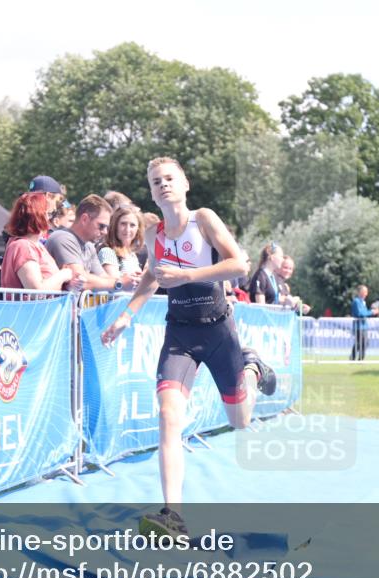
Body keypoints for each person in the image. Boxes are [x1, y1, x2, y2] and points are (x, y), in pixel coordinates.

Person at [100, 157, 277, 538]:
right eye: (155, 181)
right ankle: (173, 515)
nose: (163, 184)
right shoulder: (153, 235)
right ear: (151, 193)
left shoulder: (204, 219)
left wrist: (187, 275)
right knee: (168, 414)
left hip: (219, 331)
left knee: (240, 420)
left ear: (185, 185)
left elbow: (239, 265)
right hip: (179, 335)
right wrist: (127, 315)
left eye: (169, 178)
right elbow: (152, 275)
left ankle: (252, 368)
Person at [0, 192, 81, 291]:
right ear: (37, 217)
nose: (49, 219)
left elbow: (48, 285)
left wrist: (68, 285)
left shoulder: (36, 245)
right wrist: (63, 275)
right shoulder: (23, 246)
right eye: (48, 214)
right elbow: (37, 290)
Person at [47, 194, 122, 292]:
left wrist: (126, 281)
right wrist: (119, 284)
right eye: (101, 226)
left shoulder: (89, 246)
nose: (105, 232)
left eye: (107, 227)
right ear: (84, 219)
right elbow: (81, 279)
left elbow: (103, 277)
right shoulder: (62, 238)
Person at [98, 205, 145, 290]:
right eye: (123, 224)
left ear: (138, 229)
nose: (127, 229)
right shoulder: (107, 251)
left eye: (132, 225)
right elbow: (115, 285)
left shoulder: (132, 255)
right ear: (114, 226)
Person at [350, 284, 379, 361]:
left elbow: (365, 313)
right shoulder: (357, 301)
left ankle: (354, 358)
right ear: (360, 292)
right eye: (365, 292)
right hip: (359, 327)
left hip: (363, 326)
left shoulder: (363, 302)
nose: (366, 294)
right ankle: (359, 359)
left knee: (360, 343)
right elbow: (361, 313)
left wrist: (373, 312)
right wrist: (372, 312)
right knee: (363, 343)